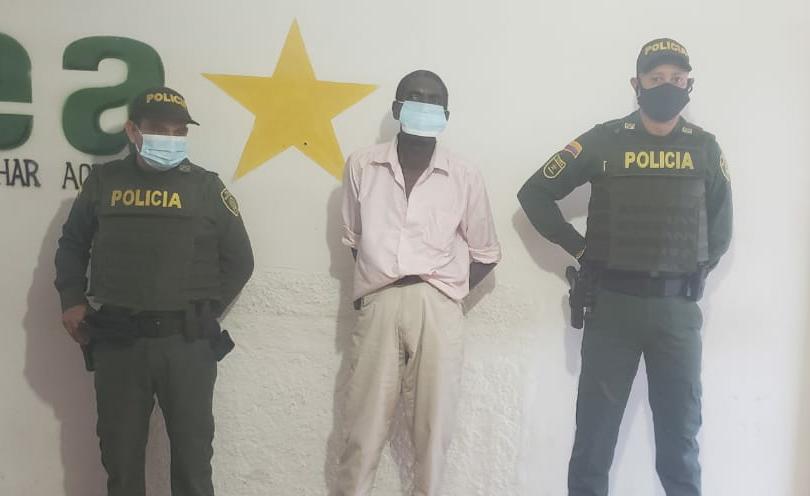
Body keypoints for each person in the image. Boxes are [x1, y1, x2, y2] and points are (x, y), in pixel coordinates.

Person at [517, 38, 732, 496]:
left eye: (677, 78)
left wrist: (688, 271)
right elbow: (534, 193)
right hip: (612, 309)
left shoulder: (705, 149)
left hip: (676, 313)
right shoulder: (604, 141)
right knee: (594, 444)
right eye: (656, 78)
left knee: (680, 444)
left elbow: (720, 230)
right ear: (637, 84)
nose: (667, 86)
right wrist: (580, 249)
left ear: (689, 85)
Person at [54, 86, 254, 496]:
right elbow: (72, 244)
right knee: (121, 462)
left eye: (180, 132)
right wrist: (71, 300)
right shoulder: (104, 182)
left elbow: (240, 260)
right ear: (133, 130)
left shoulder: (206, 187)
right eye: (160, 129)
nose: (171, 139)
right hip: (119, 341)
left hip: (187, 345)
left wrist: (206, 309)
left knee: (193, 466)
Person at [335, 70, 502, 496]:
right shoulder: (363, 164)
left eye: (433, 100)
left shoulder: (463, 174)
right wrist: (379, 284)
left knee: (433, 427)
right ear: (397, 107)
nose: (424, 105)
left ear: (446, 114)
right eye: (414, 97)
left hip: (437, 304)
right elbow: (354, 238)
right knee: (362, 425)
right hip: (380, 298)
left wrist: (447, 293)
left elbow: (486, 253)